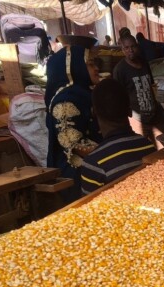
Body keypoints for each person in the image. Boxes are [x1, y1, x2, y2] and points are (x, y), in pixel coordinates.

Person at [80, 79, 156, 195]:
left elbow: (89, 204)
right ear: (130, 111)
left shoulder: (94, 163)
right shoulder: (149, 147)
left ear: (94, 113)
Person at [45, 45, 101, 202]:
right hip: (76, 174)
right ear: (76, 66)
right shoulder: (66, 100)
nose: (96, 68)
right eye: (90, 64)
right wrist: (109, 153)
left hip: (94, 164)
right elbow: (73, 143)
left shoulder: (83, 93)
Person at [113, 34, 164, 149]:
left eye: (133, 46)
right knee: (143, 151)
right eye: (127, 48)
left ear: (137, 46)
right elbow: (119, 98)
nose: (130, 50)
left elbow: (151, 85)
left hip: (154, 116)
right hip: (137, 120)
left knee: (162, 149)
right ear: (122, 49)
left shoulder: (144, 64)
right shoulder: (120, 70)